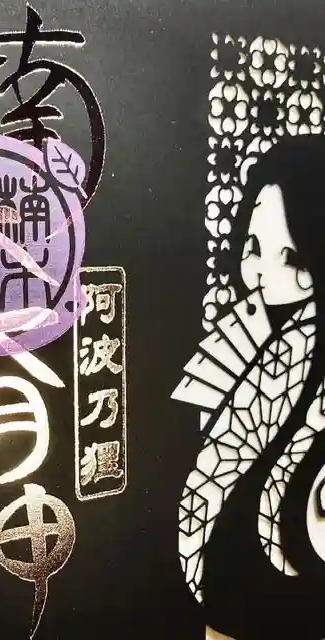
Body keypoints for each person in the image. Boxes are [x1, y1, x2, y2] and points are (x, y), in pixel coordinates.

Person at [172, 134, 325, 639]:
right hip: (235, 569)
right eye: (253, 249)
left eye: (293, 258)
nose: (261, 273)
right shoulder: (258, 338)